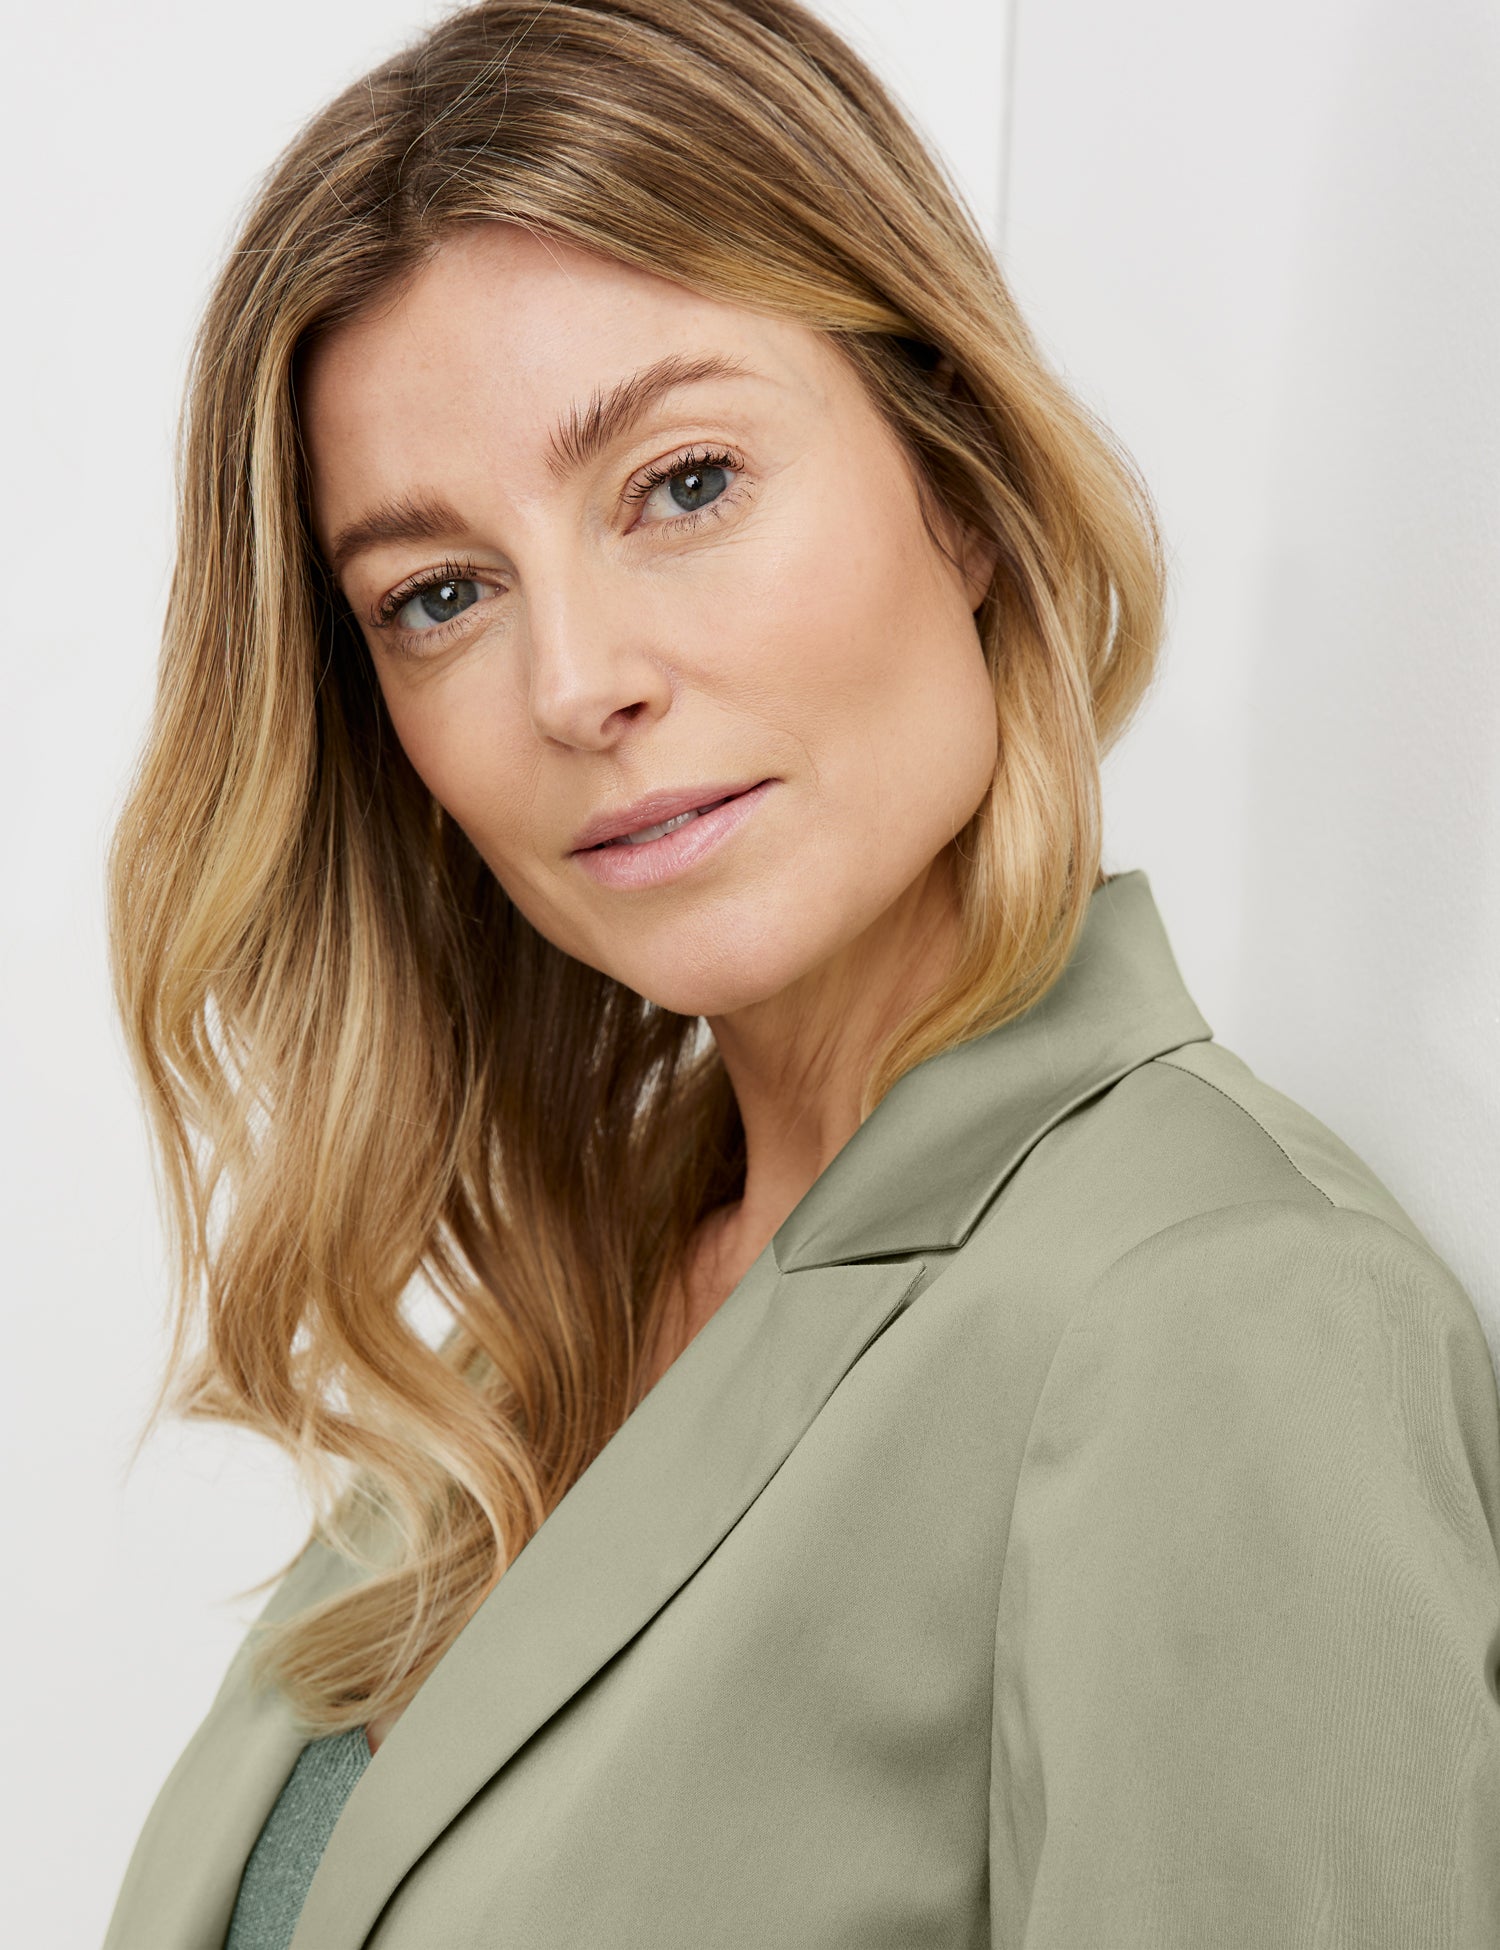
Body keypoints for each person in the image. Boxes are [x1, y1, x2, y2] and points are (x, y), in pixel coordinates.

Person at [101, 0, 1500, 1944]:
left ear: (961, 480)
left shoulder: (1216, 1318)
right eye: (438, 593)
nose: (576, 681)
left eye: (684, 483)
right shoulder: (554, 1330)